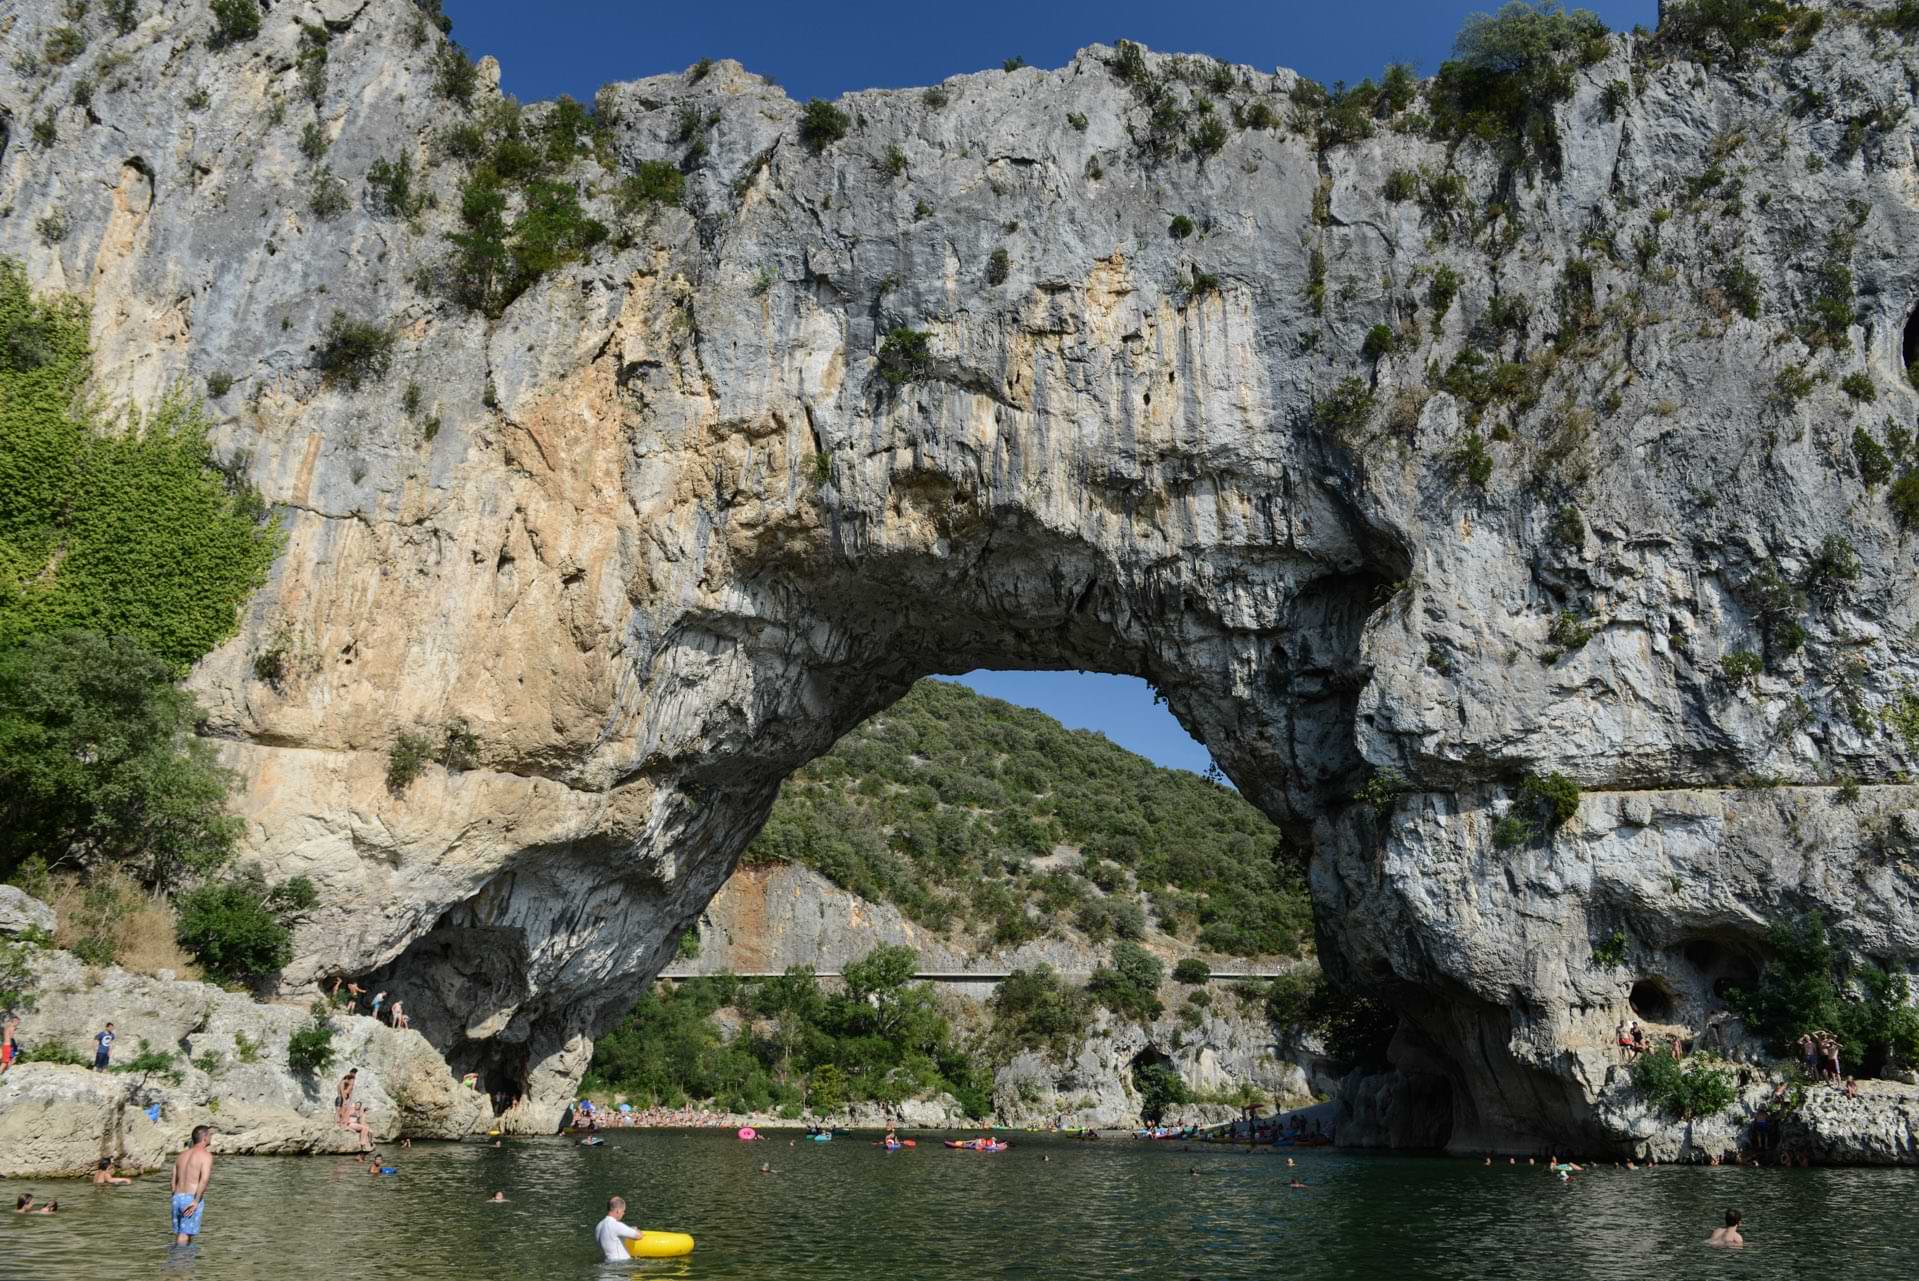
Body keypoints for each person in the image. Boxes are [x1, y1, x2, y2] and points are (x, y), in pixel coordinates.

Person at [170, 1125, 214, 1245]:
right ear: (204, 1138)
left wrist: (175, 1196)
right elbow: (204, 1180)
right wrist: (196, 1200)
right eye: (210, 1135)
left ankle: (182, 1261)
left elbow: (173, 1181)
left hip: (177, 1197)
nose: (211, 1138)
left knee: (181, 1233)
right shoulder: (206, 1156)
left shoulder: (181, 1156)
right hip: (191, 1198)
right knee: (184, 1236)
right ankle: (178, 1262)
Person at [595, 1195, 642, 1261]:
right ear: (618, 1211)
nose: (623, 1213)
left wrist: (629, 1229)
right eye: (623, 1211)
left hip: (606, 1265)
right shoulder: (615, 1224)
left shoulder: (599, 1226)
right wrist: (636, 1230)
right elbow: (638, 1236)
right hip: (620, 1266)